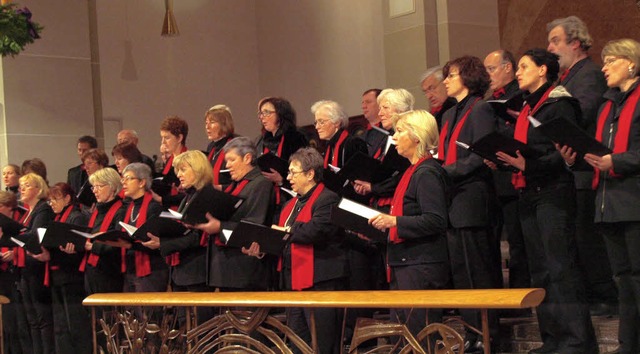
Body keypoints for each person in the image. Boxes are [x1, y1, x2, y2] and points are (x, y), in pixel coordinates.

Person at [495, 48, 597, 354]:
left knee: (561, 269)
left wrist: (529, 166)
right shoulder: (527, 108)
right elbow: (529, 151)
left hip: (553, 193)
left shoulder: (559, 103)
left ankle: (578, 342)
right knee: (540, 271)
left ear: (543, 70)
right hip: (529, 193)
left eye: (525, 67)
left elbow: (566, 153)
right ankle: (552, 339)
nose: (518, 72)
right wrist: (502, 159)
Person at [559, 38, 640, 354]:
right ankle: (627, 344)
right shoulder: (608, 104)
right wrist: (573, 158)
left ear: (631, 63)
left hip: (634, 202)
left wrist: (615, 162)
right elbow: (597, 151)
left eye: (611, 61)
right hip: (607, 202)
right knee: (622, 279)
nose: (604, 67)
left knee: (637, 278)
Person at [246, 147, 348, 354]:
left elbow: (315, 231)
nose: (288, 177)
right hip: (293, 284)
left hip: (320, 283)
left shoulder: (327, 199)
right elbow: (281, 239)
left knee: (322, 344)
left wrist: (286, 231)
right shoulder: (290, 205)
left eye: (294, 172)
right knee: (297, 343)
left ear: (310, 174)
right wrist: (262, 248)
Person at [547, 15, 617, 315]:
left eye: (556, 41)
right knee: (578, 236)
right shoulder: (567, 77)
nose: (550, 48)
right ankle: (592, 293)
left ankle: (604, 294)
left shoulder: (588, 73)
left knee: (588, 237)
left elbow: (583, 113)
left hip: (587, 167)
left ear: (575, 43)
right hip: (572, 167)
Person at [369, 110, 450, 348]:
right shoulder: (411, 171)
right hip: (405, 263)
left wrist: (394, 222)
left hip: (420, 266)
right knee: (401, 338)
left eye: (400, 131)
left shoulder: (427, 172)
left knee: (420, 338)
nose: (394, 137)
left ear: (417, 136)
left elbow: (436, 220)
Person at [440, 55, 500, 352]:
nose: (446, 80)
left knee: (479, 271)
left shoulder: (481, 109)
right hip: (452, 200)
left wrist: (445, 171)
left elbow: (481, 155)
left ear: (468, 76)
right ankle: (471, 332)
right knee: (461, 273)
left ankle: (488, 334)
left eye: (451, 75)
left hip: (473, 198)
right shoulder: (449, 114)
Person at [142, 150, 215, 325]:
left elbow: (197, 237)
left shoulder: (206, 195)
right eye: (177, 170)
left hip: (196, 270)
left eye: (183, 170)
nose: (178, 175)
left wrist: (163, 243)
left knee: (200, 327)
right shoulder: (189, 197)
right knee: (185, 325)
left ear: (197, 170)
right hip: (181, 270)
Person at [195, 137, 275, 291]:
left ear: (247, 158)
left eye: (232, 160)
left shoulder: (260, 184)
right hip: (228, 267)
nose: (227, 165)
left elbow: (254, 225)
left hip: (244, 270)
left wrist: (220, 226)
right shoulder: (237, 185)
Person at [484, 49, 530, 293]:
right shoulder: (491, 98)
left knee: (518, 241)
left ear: (508, 68)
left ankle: (520, 292)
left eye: (491, 69)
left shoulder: (519, 94)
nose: (488, 75)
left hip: (516, 177)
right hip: (496, 177)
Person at [35, 183, 92, 353]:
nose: (51, 203)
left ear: (67, 199)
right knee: (60, 326)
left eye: (55, 199)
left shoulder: (76, 217)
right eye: (50, 200)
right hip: (58, 275)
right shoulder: (57, 218)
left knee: (75, 325)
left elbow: (81, 247)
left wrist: (71, 249)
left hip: (72, 277)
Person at [120, 163, 168, 322]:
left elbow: (155, 242)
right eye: (123, 179)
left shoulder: (154, 207)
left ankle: (154, 348)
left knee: (150, 321)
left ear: (142, 182)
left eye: (129, 178)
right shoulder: (130, 207)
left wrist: (130, 244)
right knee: (133, 321)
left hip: (151, 270)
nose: (124, 183)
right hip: (131, 268)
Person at [17, 173, 55, 354]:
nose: (21, 189)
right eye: (21, 186)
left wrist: (14, 236)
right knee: (32, 319)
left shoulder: (43, 209)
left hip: (38, 268)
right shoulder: (27, 212)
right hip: (26, 268)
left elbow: (36, 236)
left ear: (38, 189)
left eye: (26, 185)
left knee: (42, 318)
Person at [255, 97, 309, 219]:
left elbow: (304, 171)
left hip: (289, 196)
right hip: (267, 197)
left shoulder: (295, 137)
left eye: (267, 112)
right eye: (261, 113)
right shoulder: (261, 140)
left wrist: (281, 180)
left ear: (280, 114)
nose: (262, 117)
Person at [0, 191, 32, 353]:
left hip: (15, 276)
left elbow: (23, 243)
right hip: (4, 275)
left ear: (10, 208)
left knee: (16, 322)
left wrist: (13, 254)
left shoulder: (19, 223)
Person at [156, 116, 189, 209]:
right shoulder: (170, 160)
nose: (163, 142)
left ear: (179, 138)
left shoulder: (188, 161)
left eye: (167, 138)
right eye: (162, 138)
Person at [204, 105, 236, 187]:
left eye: (212, 122)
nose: (207, 127)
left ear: (224, 124)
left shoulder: (235, 144)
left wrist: (219, 188)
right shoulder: (211, 146)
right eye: (206, 123)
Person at [67, 135, 98, 202]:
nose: (81, 153)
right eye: (79, 150)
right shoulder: (72, 172)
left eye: (85, 150)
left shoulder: (101, 171)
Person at [361, 89, 386, 157]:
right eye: (362, 102)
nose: (363, 106)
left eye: (368, 102)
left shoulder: (390, 131)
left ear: (380, 104)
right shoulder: (361, 135)